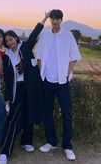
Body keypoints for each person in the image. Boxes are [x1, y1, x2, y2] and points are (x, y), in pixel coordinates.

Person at [0, 11, 50, 164]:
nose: (9, 42)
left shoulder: (25, 48)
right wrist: (7, 99)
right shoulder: (6, 57)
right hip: (18, 88)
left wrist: (45, 19)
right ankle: (5, 150)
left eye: (11, 39)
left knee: (30, 113)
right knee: (13, 118)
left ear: (16, 38)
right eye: (7, 41)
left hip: (32, 87)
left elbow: (34, 34)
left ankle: (27, 141)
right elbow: (8, 80)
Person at [36, 9, 82, 161]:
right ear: (50, 20)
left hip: (62, 81)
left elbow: (74, 58)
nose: (54, 21)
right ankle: (51, 142)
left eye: (57, 19)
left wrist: (67, 74)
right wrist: (42, 72)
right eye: (52, 19)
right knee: (47, 112)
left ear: (62, 20)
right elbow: (39, 56)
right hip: (47, 80)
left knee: (67, 114)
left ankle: (67, 146)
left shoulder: (68, 36)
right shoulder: (44, 35)